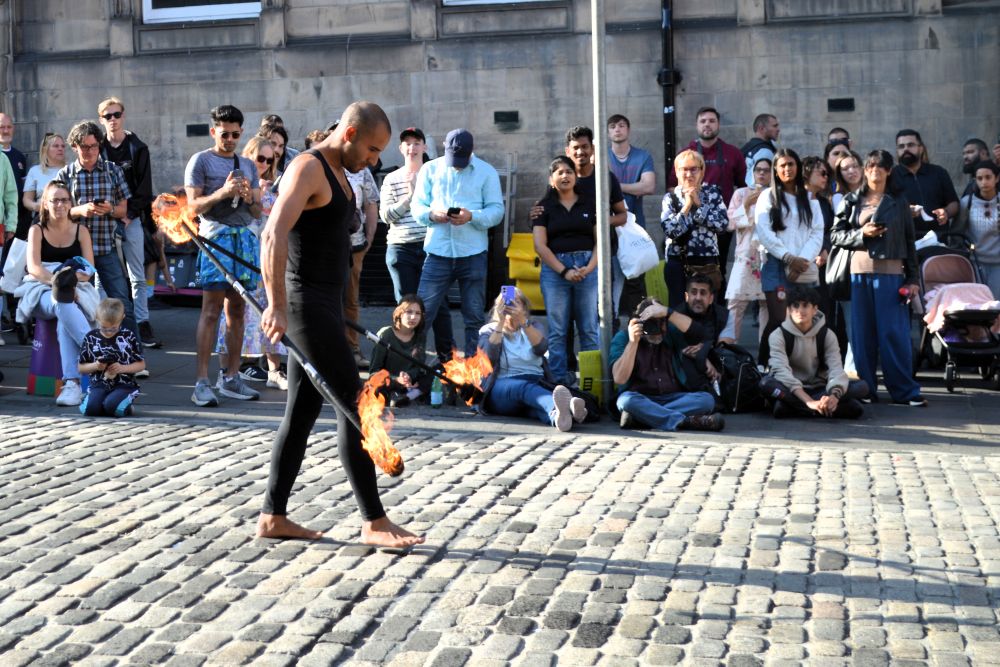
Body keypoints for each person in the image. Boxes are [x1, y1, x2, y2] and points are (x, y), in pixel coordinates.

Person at [258, 100, 424, 548]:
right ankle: (374, 520)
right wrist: (275, 305)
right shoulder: (309, 168)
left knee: (301, 414)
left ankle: (273, 516)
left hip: (328, 305)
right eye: (372, 150)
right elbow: (272, 233)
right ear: (349, 134)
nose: (374, 160)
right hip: (305, 308)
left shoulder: (342, 174)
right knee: (356, 406)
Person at [830, 149, 925, 406]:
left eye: (880, 167)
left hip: (891, 275)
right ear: (865, 169)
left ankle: (905, 392)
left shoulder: (899, 201)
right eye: (870, 167)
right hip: (858, 275)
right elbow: (835, 235)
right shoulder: (851, 200)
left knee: (893, 334)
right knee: (862, 336)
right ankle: (865, 390)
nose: (874, 171)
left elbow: (909, 241)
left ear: (888, 171)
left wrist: (913, 278)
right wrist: (863, 234)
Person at [184, 104, 262, 407]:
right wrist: (224, 192)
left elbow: (257, 210)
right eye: (224, 133)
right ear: (213, 131)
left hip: (244, 239)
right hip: (215, 240)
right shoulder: (201, 160)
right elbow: (192, 207)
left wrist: (245, 197)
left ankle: (231, 377)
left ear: (241, 132)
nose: (230, 139)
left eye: (235, 134)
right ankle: (201, 381)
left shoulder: (249, 164)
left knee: (238, 312)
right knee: (211, 311)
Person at [411, 128, 504, 357]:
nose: (457, 165)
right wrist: (433, 215)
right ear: (444, 146)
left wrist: (471, 216)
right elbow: (417, 206)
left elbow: (497, 211)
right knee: (422, 314)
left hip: (472, 254)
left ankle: (474, 370)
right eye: (454, 160)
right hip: (438, 253)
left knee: (473, 317)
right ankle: (414, 370)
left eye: (461, 161)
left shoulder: (486, 172)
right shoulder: (430, 169)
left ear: (473, 151)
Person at [214, 135, 288, 390]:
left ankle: (275, 370)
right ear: (250, 156)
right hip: (240, 249)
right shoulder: (238, 180)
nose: (265, 164)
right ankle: (226, 371)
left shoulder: (270, 186)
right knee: (234, 312)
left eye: (271, 159)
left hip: (266, 254)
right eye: (261, 158)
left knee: (270, 307)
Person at [56, 120, 138, 341]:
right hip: (77, 254)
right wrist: (80, 210)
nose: (89, 151)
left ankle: (132, 355)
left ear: (99, 145)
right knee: (81, 306)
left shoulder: (113, 171)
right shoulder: (66, 174)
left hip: (106, 246)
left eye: (93, 146)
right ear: (75, 147)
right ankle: (89, 355)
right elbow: (55, 211)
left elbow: (123, 210)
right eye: (84, 147)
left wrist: (109, 209)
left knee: (122, 304)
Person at [379, 127, 454, 360]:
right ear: (401, 148)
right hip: (401, 248)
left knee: (439, 305)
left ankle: (447, 359)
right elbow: (386, 216)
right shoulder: (391, 179)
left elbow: (445, 208)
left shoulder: (436, 175)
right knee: (407, 308)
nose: (412, 148)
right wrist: (408, 200)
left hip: (431, 247)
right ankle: (409, 360)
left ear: (424, 147)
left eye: (416, 143)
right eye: (407, 143)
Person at [20, 181, 97, 406]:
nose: (60, 204)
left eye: (64, 200)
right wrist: (58, 281)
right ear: (45, 203)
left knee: (64, 311)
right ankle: (97, 350)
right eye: (54, 200)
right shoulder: (36, 229)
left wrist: (69, 282)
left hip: (75, 286)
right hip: (41, 287)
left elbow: (89, 270)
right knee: (59, 300)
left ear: (71, 203)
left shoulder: (81, 230)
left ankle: (71, 383)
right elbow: (34, 268)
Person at [98, 97, 161, 349]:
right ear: (101, 119)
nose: (112, 120)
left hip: (130, 217)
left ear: (123, 116)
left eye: (116, 115)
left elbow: (145, 188)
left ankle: (142, 322)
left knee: (136, 273)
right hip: (103, 218)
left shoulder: (137, 148)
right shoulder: (98, 147)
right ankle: (104, 322)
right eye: (107, 116)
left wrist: (128, 214)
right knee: (101, 276)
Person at [477, 287, 586, 431]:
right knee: (525, 388)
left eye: (516, 302)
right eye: (507, 303)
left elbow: (541, 349)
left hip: (535, 382)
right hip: (502, 387)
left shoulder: (533, 326)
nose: (511, 306)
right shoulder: (489, 330)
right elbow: (489, 359)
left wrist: (523, 321)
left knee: (535, 410)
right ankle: (568, 404)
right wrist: (501, 323)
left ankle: (560, 418)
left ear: (524, 307)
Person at [610, 296, 725, 432]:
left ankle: (643, 417)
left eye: (661, 322)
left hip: (674, 397)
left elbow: (699, 333)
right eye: (652, 323)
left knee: (706, 400)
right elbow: (619, 378)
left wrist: (668, 312)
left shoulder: (670, 332)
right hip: (641, 397)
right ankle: (686, 421)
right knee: (626, 401)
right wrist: (633, 342)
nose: (658, 328)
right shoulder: (624, 338)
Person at [531, 156, 599, 385]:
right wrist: (564, 272)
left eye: (569, 171)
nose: (565, 175)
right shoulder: (542, 207)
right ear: (551, 179)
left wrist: (590, 267)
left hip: (587, 266)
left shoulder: (590, 202)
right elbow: (540, 245)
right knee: (558, 329)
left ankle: (593, 383)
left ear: (575, 176)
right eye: (559, 172)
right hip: (555, 271)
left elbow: (601, 240)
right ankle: (558, 382)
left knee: (589, 328)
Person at [754, 149, 824, 365]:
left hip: (802, 266)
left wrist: (802, 260)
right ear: (776, 169)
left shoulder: (810, 199)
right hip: (776, 265)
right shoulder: (768, 196)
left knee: (801, 321)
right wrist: (787, 257)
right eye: (782, 165)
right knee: (779, 319)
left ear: (798, 166)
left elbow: (817, 231)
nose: (787, 169)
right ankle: (764, 365)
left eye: (791, 164)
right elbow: (764, 231)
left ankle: (795, 368)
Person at [764, 286, 867, 419]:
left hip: (821, 389)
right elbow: (781, 371)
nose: (800, 311)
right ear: (788, 310)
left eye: (805, 306)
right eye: (795, 306)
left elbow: (836, 368)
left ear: (815, 309)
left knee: (862, 386)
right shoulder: (778, 335)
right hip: (792, 389)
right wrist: (810, 402)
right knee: (765, 384)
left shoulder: (827, 335)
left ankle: (799, 408)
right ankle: (819, 409)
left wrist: (834, 396)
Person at [660, 149, 729, 307]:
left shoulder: (713, 194)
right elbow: (670, 230)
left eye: (694, 169)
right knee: (678, 309)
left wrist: (699, 206)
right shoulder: (670, 198)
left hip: (707, 263)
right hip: (678, 262)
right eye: (684, 169)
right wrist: (686, 206)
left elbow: (722, 225)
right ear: (677, 172)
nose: (689, 174)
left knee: (708, 309)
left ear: (702, 171)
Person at [802, 155, 848, 359]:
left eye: (827, 174)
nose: (826, 177)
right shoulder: (794, 200)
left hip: (822, 267)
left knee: (823, 314)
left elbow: (831, 230)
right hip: (799, 266)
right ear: (807, 173)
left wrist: (826, 249)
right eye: (821, 173)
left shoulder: (824, 202)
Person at [725, 157, 771, 341]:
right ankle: (729, 350)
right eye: (758, 169)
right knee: (735, 302)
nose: (761, 173)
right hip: (745, 254)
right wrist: (746, 204)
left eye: (766, 170)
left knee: (767, 303)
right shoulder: (741, 194)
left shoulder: (776, 195)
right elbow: (729, 224)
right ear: (752, 172)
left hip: (768, 254)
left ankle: (765, 356)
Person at [78, 297, 145, 417]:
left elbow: (141, 365)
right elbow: (81, 368)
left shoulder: (128, 336)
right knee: (90, 410)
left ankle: (121, 405)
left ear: (122, 318)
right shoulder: (90, 337)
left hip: (123, 385)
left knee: (112, 407)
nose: (109, 332)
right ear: (97, 319)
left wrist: (122, 368)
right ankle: (100, 403)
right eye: (104, 327)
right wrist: (96, 366)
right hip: (99, 383)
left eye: (113, 328)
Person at [344, 158, 379, 369]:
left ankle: (352, 348)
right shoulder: (318, 166)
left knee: (350, 298)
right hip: (325, 247)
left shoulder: (361, 170)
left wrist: (370, 237)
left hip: (354, 245)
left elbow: (371, 202)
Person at [675, 273, 734, 396]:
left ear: (711, 298)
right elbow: (678, 350)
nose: (698, 297)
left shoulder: (724, 316)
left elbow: (723, 349)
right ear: (686, 296)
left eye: (703, 293)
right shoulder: (676, 316)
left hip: (715, 367)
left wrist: (704, 350)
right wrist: (702, 357)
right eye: (694, 292)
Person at [369, 295, 433, 407]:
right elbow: (374, 370)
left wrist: (409, 376)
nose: (413, 317)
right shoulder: (386, 335)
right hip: (390, 380)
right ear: (399, 313)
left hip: (409, 382)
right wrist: (396, 379)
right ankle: (406, 395)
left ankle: (407, 397)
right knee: (376, 383)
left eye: (418, 313)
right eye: (409, 312)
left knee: (436, 372)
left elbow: (419, 365)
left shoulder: (420, 336)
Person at [892, 129, 959, 236]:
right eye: (901, 146)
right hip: (904, 240)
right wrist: (904, 212)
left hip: (938, 238)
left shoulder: (938, 173)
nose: (906, 149)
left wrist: (946, 212)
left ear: (921, 148)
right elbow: (884, 208)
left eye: (911, 145)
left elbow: (954, 203)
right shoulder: (891, 176)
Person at [955, 161, 1000, 297]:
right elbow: (958, 231)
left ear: (997, 178)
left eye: (988, 177)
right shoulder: (967, 203)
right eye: (979, 178)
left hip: (998, 263)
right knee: (977, 303)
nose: (984, 182)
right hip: (974, 262)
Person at [23, 133, 66, 217]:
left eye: (63, 146)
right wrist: (36, 206)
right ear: (45, 149)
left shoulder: (69, 170)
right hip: (42, 217)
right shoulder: (35, 171)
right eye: (56, 146)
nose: (60, 149)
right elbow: (26, 199)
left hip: (65, 218)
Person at [740, 113, 780, 188]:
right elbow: (762, 183)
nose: (778, 129)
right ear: (761, 128)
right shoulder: (764, 151)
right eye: (774, 126)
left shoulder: (749, 147)